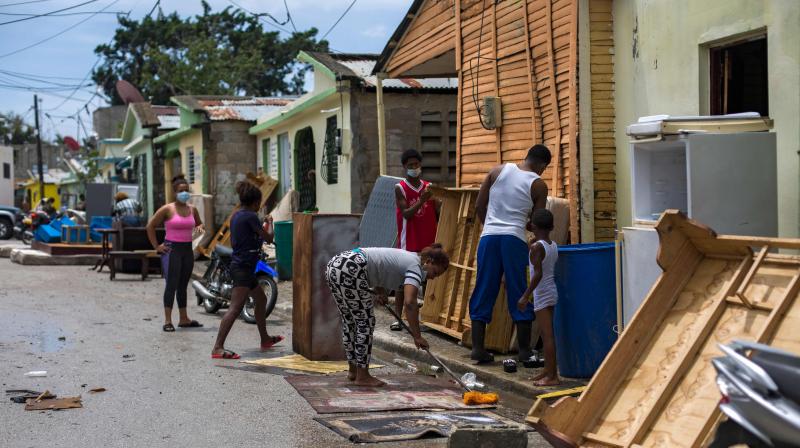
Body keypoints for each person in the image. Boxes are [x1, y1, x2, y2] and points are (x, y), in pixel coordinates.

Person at [468, 144, 551, 364]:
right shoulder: (538, 185)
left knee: (484, 287)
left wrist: (490, 227)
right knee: (518, 289)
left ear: (527, 157)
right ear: (542, 166)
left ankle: (477, 348)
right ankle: (524, 351)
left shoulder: (497, 171)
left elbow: (478, 205)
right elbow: (538, 221)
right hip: (514, 240)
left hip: (488, 238)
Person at [325, 244, 450, 387]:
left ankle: (354, 371)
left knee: (350, 321)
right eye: (435, 273)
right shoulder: (416, 266)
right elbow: (410, 303)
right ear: (429, 262)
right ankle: (363, 376)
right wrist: (417, 336)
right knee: (365, 322)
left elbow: (379, 268)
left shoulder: (408, 257)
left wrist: (381, 291)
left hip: (336, 265)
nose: (433, 278)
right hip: (352, 267)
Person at [211, 181, 283, 359]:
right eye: (259, 202)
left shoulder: (237, 215)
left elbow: (253, 238)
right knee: (235, 308)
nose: (260, 205)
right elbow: (268, 238)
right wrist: (270, 222)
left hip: (245, 266)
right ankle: (217, 348)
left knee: (261, 298)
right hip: (243, 267)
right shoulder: (250, 216)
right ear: (255, 202)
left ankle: (265, 338)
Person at [147, 175, 205, 332]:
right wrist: (156, 246)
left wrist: (200, 229)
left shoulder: (192, 209)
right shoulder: (167, 209)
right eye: (181, 191)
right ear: (175, 192)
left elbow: (199, 225)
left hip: (187, 250)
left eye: (187, 190)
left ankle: (184, 318)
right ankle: (167, 320)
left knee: (182, 286)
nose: (185, 193)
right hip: (172, 250)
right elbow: (150, 226)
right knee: (171, 285)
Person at [391, 149, 440, 331]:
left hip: (428, 238)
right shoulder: (400, 188)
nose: (414, 168)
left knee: (429, 277)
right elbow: (406, 213)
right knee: (402, 280)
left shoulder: (429, 186)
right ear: (405, 167)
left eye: (417, 164)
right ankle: (398, 318)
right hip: (409, 239)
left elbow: (437, 211)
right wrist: (421, 200)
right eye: (410, 165)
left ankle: (426, 316)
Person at [517, 209, 560, 386]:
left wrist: (525, 296)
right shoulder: (552, 245)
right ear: (551, 227)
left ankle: (553, 377)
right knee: (546, 334)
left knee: (547, 336)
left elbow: (537, 274)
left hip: (542, 293)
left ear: (533, 225)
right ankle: (547, 371)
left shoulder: (537, 247)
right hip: (551, 291)